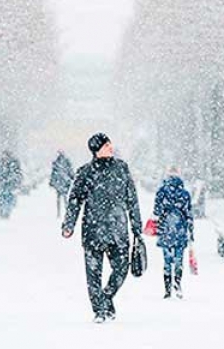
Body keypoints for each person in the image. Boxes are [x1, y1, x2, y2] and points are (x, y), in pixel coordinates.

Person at [62, 133, 143, 323]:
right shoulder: (85, 172)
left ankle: (106, 296)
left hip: (118, 230)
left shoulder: (121, 169)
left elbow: (132, 198)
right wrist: (68, 225)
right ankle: (99, 310)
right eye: (106, 145)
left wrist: (136, 227)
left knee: (122, 269)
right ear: (97, 149)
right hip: (93, 230)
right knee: (93, 275)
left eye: (110, 144)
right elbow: (74, 200)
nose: (111, 147)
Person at [152, 166, 194, 299]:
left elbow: (156, 212)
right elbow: (189, 214)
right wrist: (191, 232)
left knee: (167, 261)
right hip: (180, 229)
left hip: (166, 229)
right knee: (178, 260)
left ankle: (167, 289)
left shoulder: (161, 192)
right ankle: (177, 284)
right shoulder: (185, 194)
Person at [0, 151, 23, 219]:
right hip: (3, 185)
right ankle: (3, 211)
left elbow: (17, 174)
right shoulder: (0, 163)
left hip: (9, 185)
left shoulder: (12, 163)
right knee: (3, 198)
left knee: (8, 198)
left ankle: (6, 212)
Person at [49, 150, 75, 218]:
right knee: (64, 198)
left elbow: (53, 173)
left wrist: (52, 182)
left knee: (60, 198)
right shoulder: (65, 162)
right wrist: (72, 177)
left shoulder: (57, 162)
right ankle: (65, 212)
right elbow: (70, 171)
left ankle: (60, 212)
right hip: (64, 182)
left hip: (60, 183)